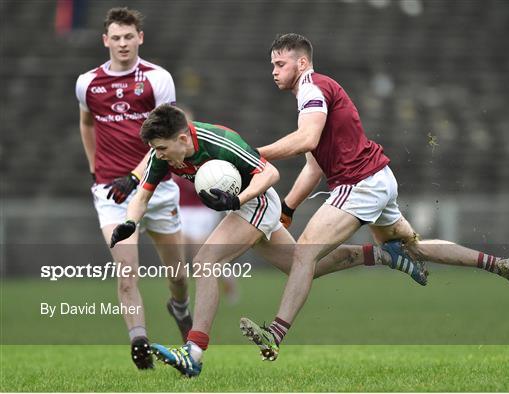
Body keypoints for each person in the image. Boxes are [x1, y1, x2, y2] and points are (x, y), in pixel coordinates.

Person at [239, 33, 509, 362]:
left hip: (360, 185)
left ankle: (274, 335)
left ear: (301, 63)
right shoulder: (317, 92)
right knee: (413, 245)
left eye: (280, 64)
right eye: (272, 64)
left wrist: (254, 153)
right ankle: (500, 265)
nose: (273, 70)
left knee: (304, 254)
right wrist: (288, 207)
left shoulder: (311, 88)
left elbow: (306, 139)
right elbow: (314, 166)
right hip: (379, 180)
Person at [109, 104, 428, 377]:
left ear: (181, 138)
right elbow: (142, 197)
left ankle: (193, 354)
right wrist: (128, 223)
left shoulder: (219, 141)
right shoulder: (162, 154)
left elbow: (270, 174)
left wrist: (238, 200)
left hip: (258, 200)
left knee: (206, 262)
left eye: (163, 149)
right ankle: (387, 256)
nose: (160, 156)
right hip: (243, 206)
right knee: (302, 267)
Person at [75, 7, 191, 370]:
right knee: (126, 271)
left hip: (157, 187)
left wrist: (136, 176)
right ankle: (139, 342)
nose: (123, 43)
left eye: (129, 37)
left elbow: (168, 138)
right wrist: (96, 169)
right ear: (105, 40)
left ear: (139, 38)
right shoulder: (87, 83)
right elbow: (86, 124)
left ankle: (180, 308)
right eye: (116, 37)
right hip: (112, 194)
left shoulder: (158, 79)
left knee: (178, 274)